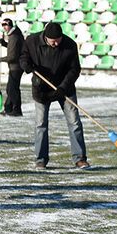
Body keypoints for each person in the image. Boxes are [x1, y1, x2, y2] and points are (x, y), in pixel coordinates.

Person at [20, 21, 89, 170]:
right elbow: (23, 57)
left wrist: (63, 87)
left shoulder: (70, 45)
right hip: (41, 89)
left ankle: (80, 158)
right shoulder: (31, 41)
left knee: (75, 122)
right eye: (53, 41)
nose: (56, 44)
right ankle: (41, 160)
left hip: (65, 88)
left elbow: (75, 69)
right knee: (41, 124)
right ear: (46, 37)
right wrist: (25, 64)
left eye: (58, 40)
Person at [0, 18, 24, 117]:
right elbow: (13, 48)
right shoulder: (14, 35)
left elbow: (13, 56)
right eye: (2, 25)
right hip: (15, 66)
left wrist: (2, 59)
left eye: (5, 25)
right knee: (11, 88)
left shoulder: (14, 37)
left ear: (10, 25)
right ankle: (8, 108)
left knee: (12, 89)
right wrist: (4, 44)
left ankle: (16, 109)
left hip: (16, 66)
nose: (4, 27)